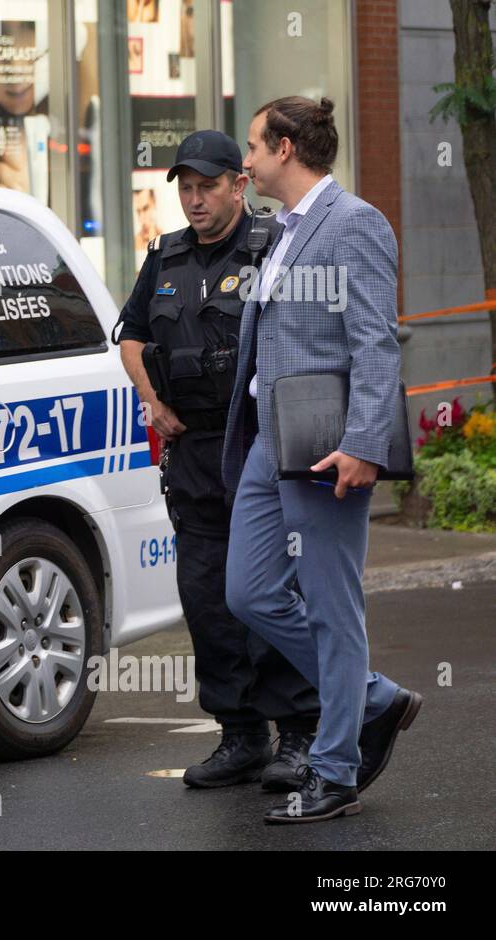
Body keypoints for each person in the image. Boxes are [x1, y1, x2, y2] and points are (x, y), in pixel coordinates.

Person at [222, 96, 423, 824]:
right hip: (269, 442)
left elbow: (375, 341)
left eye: (250, 147)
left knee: (334, 610)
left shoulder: (356, 223)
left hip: (328, 445)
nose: (243, 163)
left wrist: (366, 445)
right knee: (248, 592)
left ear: (283, 148)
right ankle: (371, 696)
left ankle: (335, 771)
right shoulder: (282, 230)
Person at [117, 129, 319, 792]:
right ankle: (239, 736)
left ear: (239, 183)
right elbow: (132, 337)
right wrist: (152, 402)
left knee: (266, 593)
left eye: (208, 186)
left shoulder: (274, 247)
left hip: (258, 443)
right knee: (206, 599)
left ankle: (298, 732)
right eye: (185, 188)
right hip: (194, 452)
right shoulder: (166, 255)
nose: (195, 199)